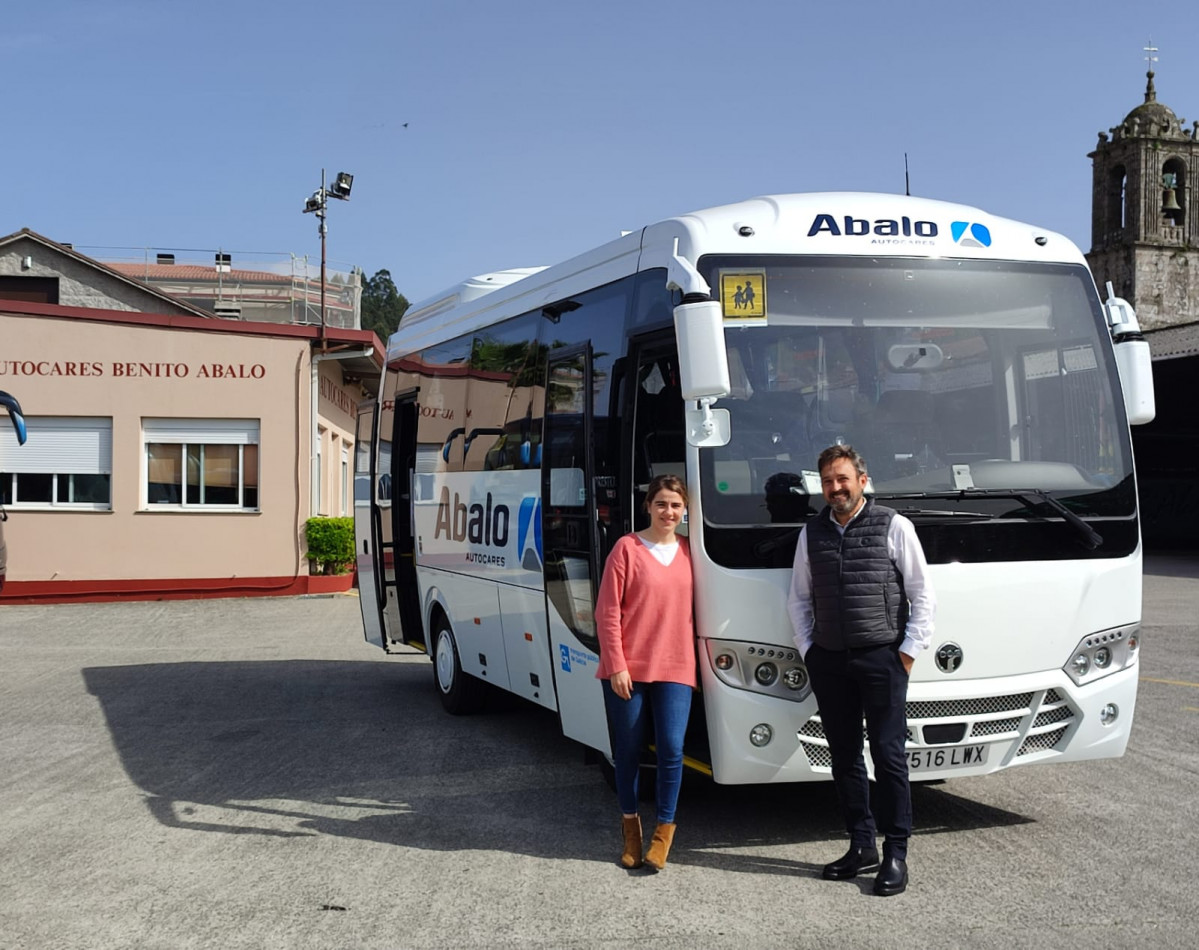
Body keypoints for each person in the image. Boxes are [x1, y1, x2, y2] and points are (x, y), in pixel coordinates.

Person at [786, 444, 935, 896]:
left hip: (882, 658)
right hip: (830, 660)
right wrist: (810, 649)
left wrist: (906, 653)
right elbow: (798, 598)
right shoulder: (811, 533)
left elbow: (922, 594)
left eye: (842, 479)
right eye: (828, 481)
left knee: (889, 758)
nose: (835, 488)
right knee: (845, 756)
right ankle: (861, 844)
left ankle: (896, 853)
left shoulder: (894, 526)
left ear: (862, 481)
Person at [595, 474, 696, 871]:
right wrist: (616, 664)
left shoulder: (692, 551)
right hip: (628, 668)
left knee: (672, 749)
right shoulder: (627, 548)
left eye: (675, 505)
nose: (668, 512)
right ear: (648, 507)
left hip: (676, 665)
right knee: (628, 752)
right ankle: (631, 832)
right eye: (661, 504)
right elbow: (607, 613)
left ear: (684, 509)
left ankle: (663, 836)